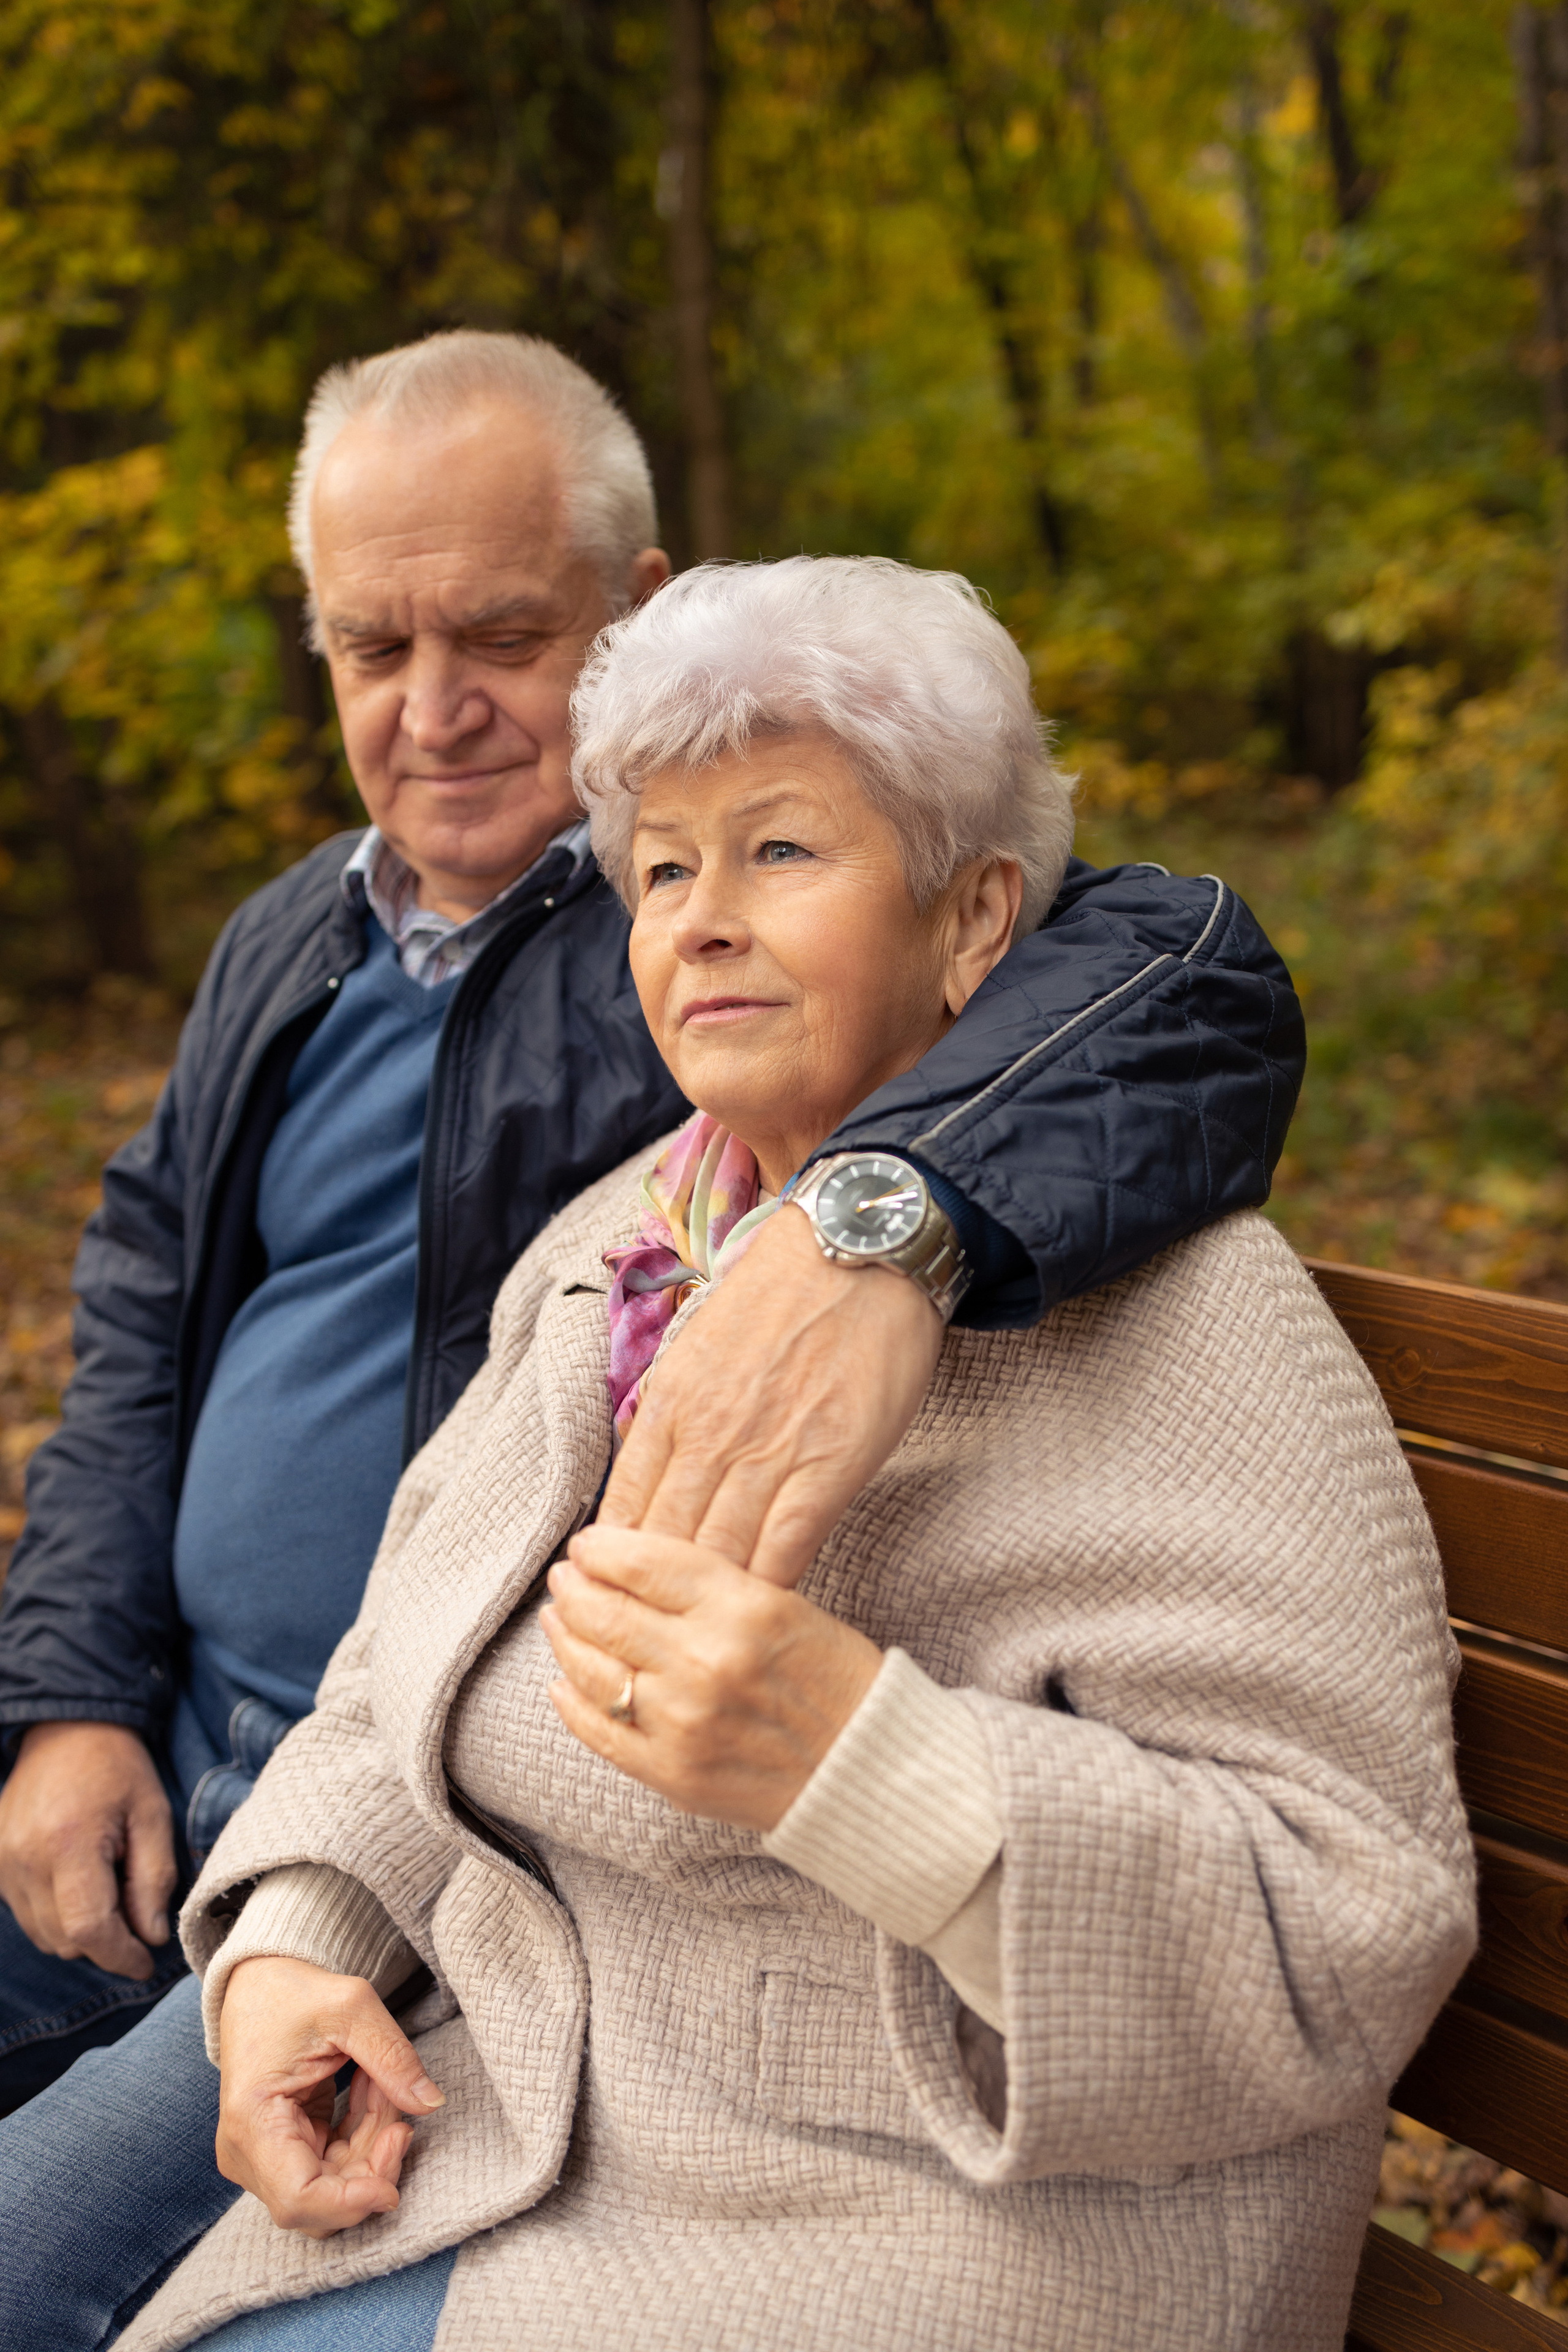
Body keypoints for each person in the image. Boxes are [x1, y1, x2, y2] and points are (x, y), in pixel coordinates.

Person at [0, 334, 1299, 2347]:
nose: (432, 713)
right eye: (370, 646)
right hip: (234, 1763)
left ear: (640, 609)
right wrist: (72, 1692)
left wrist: (878, 1216)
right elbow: (148, 1308)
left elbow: (1174, 967)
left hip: (442, 1833)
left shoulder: (716, 974)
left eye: (504, 634)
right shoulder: (294, 940)